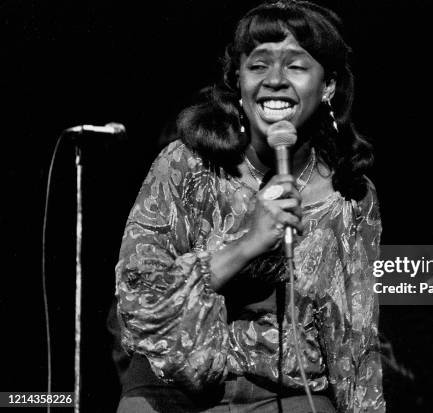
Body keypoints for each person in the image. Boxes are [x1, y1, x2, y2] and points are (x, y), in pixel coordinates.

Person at [114, 1, 385, 412]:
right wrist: (247, 243)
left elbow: (356, 339)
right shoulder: (188, 165)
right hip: (174, 391)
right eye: (258, 66)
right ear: (238, 81)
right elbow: (138, 301)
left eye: (295, 66)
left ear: (327, 85)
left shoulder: (350, 195)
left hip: (289, 396)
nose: (274, 80)